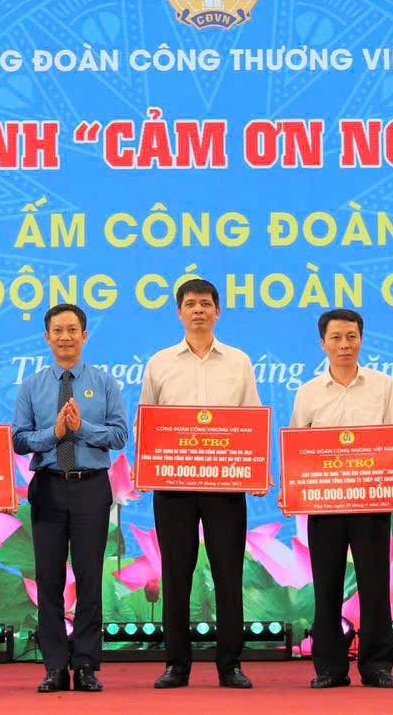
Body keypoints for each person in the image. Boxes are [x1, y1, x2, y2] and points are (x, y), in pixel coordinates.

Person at [140, 278, 260, 690]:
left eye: (206, 304)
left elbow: (251, 418)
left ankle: (230, 665)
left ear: (217, 312)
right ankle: (177, 664)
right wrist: (147, 467)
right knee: (176, 574)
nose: (198, 311)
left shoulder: (239, 362)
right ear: (179, 313)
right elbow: (147, 422)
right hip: (173, 486)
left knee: (228, 573)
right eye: (190, 304)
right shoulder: (160, 363)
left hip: (226, 486)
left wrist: (257, 468)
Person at [14, 304, 128, 693]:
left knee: (90, 577)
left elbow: (119, 435)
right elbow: (19, 440)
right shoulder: (32, 386)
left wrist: (83, 428)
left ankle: (86, 664)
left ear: (85, 335)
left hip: (91, 487)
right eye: (58, 330)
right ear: (47, 337)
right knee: (49, 579)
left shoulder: (105, 383)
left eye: (73, 330)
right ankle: (54, 666)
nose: (66, 337)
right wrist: (55, 433)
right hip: (48, 486)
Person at [288, 309, 393, 689]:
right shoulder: (308, 392)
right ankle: (330, 668)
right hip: (325, 506)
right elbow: (298, 448)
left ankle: (376, 666)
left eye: (351, 336)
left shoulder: (382, 386)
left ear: (361, 340)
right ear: (323, 344)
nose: (344, 344)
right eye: (336, 338)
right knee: (327, 587)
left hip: (371, 503)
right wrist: (293, 491)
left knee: (375, 586)